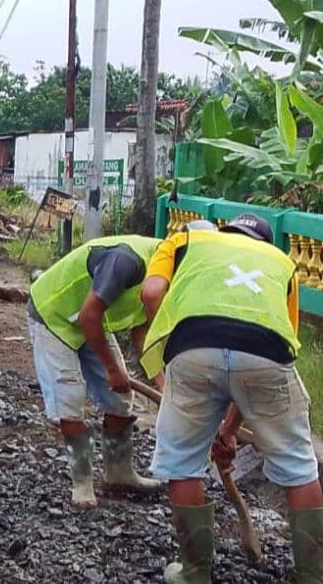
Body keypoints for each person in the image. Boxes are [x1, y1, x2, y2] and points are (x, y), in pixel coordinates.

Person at [140, 213, 321, 584]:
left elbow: (152, 293)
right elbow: (270, 344)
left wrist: (171, 352)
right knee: (300, 467)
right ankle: (312, 576)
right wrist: (230, 428)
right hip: (265, 354)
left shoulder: (189, 242)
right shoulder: (282, 263)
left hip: (193, 345)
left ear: (224, 233)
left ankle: (194, 573)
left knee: (183, 463)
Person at [27, 234, 164, 508]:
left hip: (91, 321)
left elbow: (141, 329)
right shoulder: (128, 261)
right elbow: (90, 315)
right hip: (54, 315)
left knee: (120, 401)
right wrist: (112, 369)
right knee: (70, 399)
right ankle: (82, 483)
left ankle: (118, 473)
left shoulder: (164, 276)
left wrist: (161, 384)